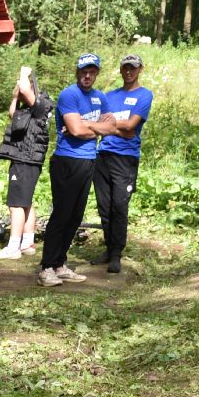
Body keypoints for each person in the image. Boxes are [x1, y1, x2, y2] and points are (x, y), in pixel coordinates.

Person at [38, 53, 117, 288]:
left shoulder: (100, 98)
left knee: (75, 216)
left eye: (92, 71)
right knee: (62, 214)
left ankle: (60, 264)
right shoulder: (69, 94)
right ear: (77, 72)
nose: (87, 75)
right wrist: (93, 128)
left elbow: (111, 127)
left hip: (88, 160)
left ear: (97, 73)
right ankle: (46, 268)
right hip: (67, 161)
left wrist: (88, 125)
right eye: (84, 71)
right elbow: (75, 129)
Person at [92, 55, 153, 274]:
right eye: (126, 68)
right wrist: (115, 127)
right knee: (104, 206)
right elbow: (104, 126)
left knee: (119, 206)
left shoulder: (144, 95)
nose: (129, 71)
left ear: (140, 69)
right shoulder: (109, 96)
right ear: (120, 70)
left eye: (133, 68)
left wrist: (110, 126)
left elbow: (132, 127)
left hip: (125, 158)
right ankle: (109, 249)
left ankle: (117, 253)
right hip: (103, 155)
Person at [0, 65, 51, 260]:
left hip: (26, 159)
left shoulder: (41, 104)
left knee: (16, 204)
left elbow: (26, 88)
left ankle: (13, 247)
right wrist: (15, 97)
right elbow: (12, 114)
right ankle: (27, 242)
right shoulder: (30, 109)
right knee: (25, 202)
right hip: (27, 159)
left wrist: (24, 73)